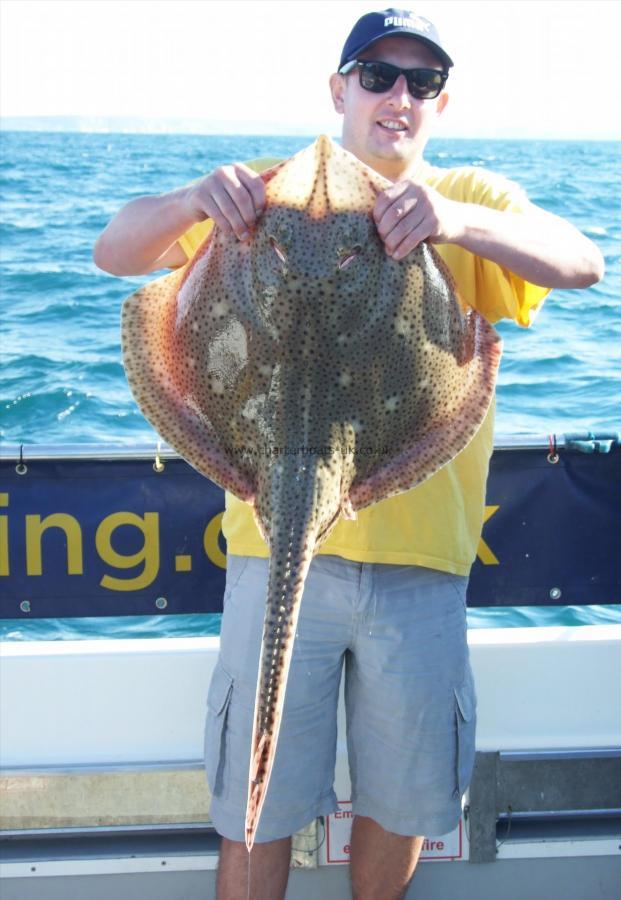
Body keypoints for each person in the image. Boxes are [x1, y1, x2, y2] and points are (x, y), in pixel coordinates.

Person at [94, 8, 604, 899]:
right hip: (271, 545)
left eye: (421, 82)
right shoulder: (262, 192)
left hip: (422, 566)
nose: (397, 96)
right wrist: (187, 203)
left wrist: (451, 225)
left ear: (440, 104)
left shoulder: (466, 200)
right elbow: (113, 252)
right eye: (377, 75)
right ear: (338, 89)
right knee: (255, 803)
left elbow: (581, 262)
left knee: (403, 803)